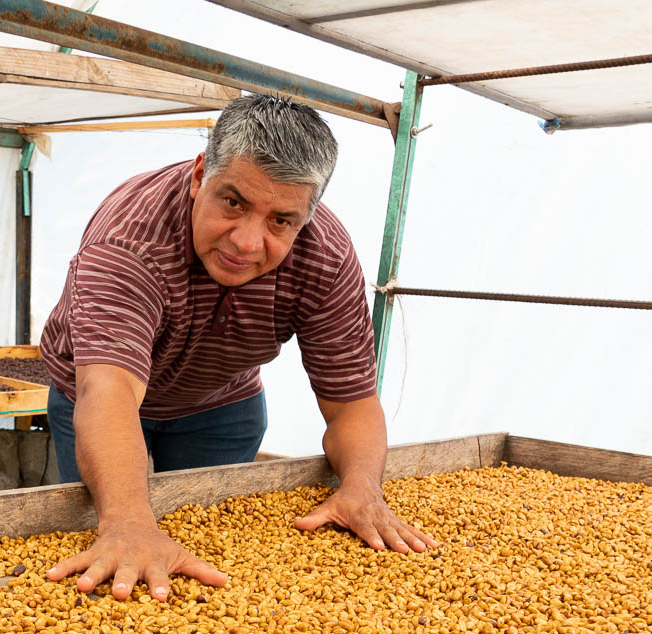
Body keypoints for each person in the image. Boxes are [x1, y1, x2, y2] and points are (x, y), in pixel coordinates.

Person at [39, 94, 434, 602]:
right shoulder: (130, 240)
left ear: (307, 215)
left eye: (280, 221)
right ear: (200, 174)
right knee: (114, 545)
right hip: (98, 401)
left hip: (222, 401)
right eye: (233, 202)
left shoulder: (325, 258)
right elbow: (109, 392)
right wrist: (127, 521)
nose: (247, 242)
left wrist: (361, 487)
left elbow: (352, 402)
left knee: (206, 541)